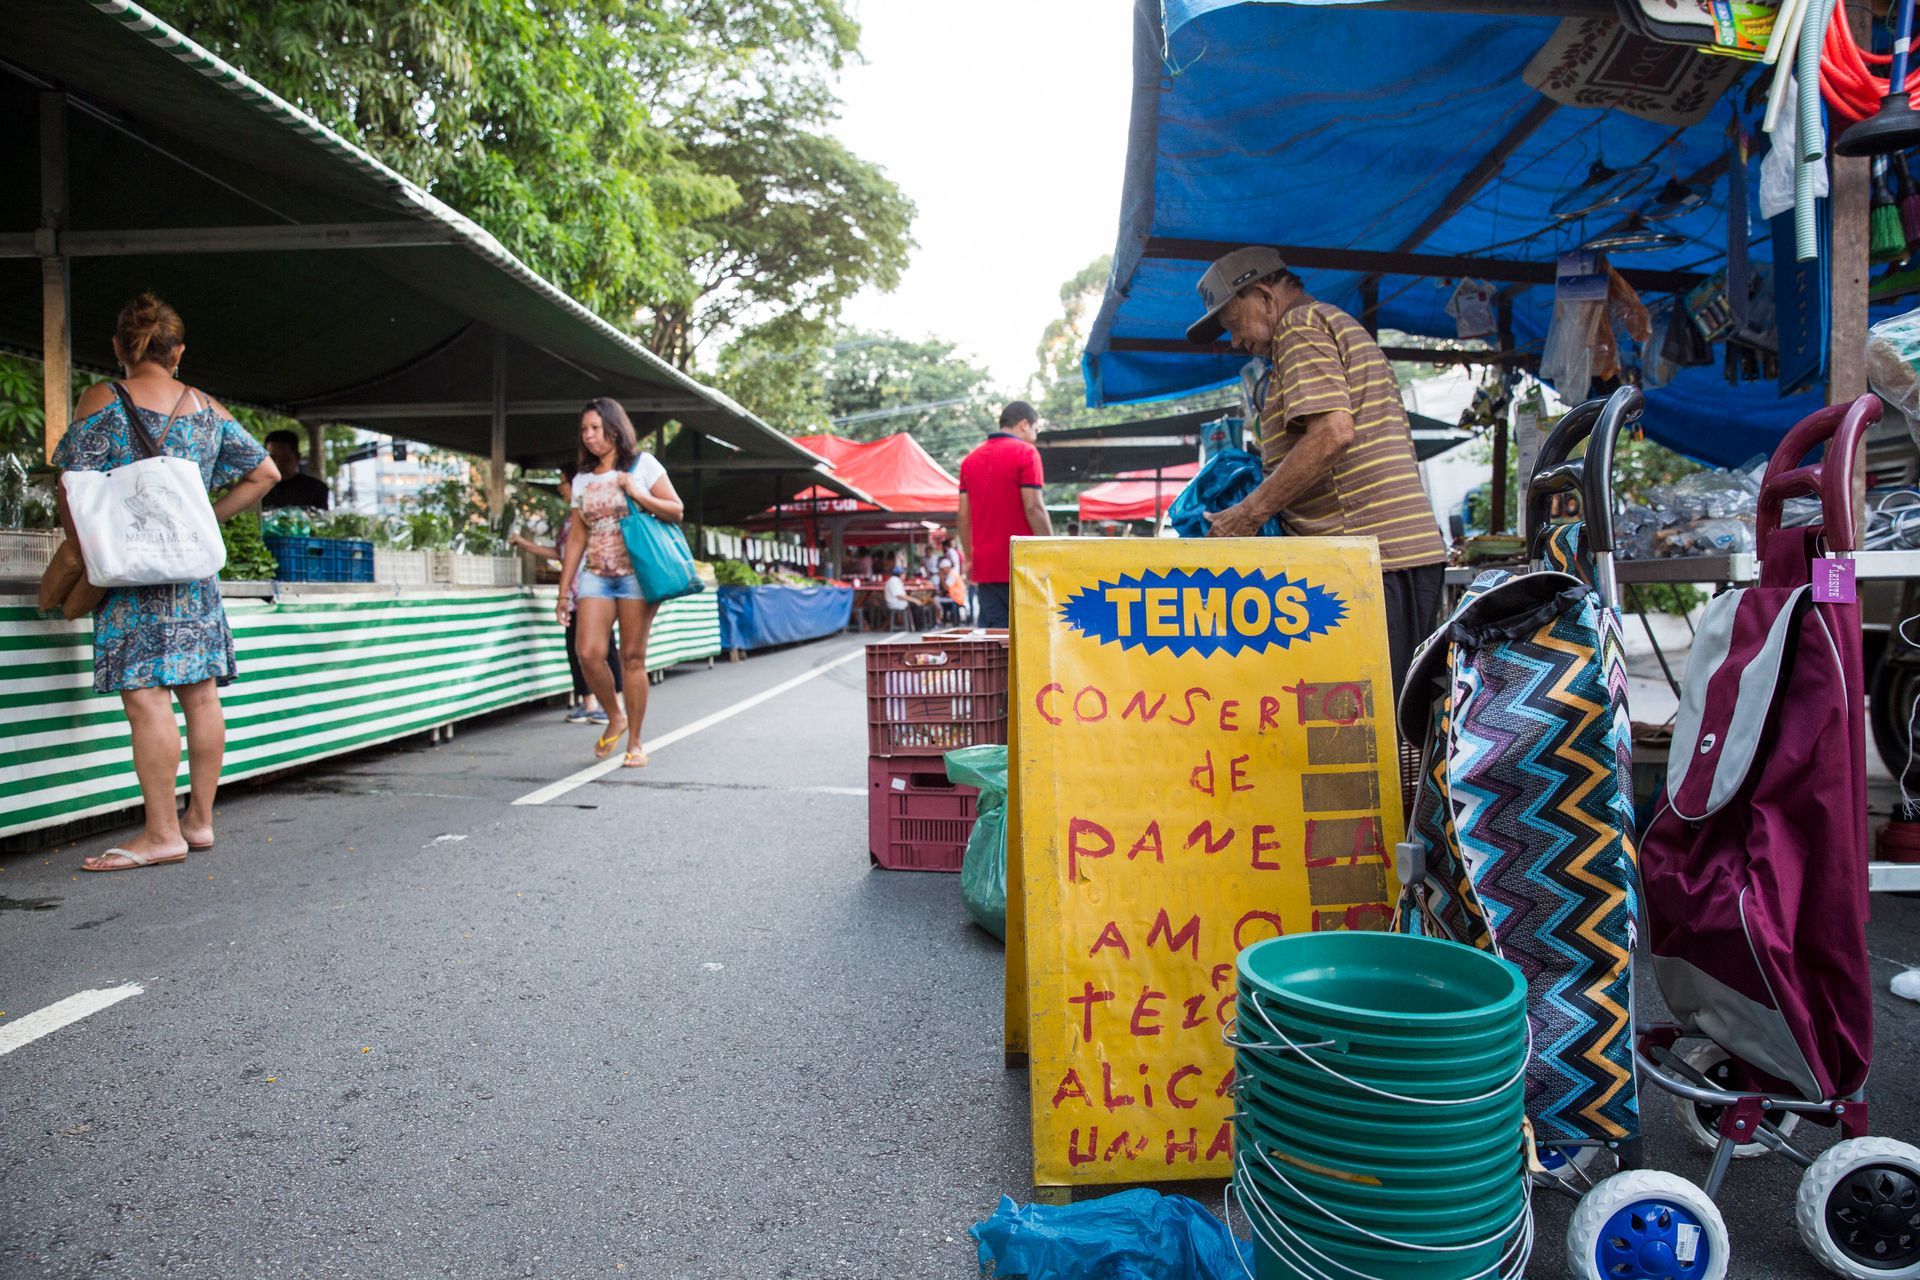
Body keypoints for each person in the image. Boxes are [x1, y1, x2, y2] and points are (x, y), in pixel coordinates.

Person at [53, 293, 281, 872]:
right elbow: (265, 473)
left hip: (131, 572)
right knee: (201, 695)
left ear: (118, 348)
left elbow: (70, 486)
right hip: (192, 576)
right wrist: (205, 518)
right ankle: (198, 822)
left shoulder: (101, 398)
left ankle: (160, 833)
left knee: (146, 697)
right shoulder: (205, 407)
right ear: (177, 351)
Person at [1187, 246, 1447, 693]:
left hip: (1373, 559)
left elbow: (1332, 433)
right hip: (1390, 554)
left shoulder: (1298, 326)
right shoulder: (1329, 323)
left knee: (1365, 718)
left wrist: (1248, 513)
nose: (1234, 342)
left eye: (1234, 324)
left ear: (1264, 294)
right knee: (1397, 715)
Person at [556, 398, 685, 768]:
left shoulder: (643, 465)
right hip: (596, 574)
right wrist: (565, 591)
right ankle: (615, 714)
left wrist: (638, 493)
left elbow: (676, 509)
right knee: (588, 653)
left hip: (636, 575)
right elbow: (577, 536)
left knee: (632, 657)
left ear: (614, 428)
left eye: (596, 428)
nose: (589, 436)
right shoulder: (583, 477)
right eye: (584, 430)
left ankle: (637, 741)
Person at [508, 471, 619, 725]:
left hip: (595, 589)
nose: (560, 489)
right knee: (578, 649)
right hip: (574, 593)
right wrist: (525, 545)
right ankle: (589, 701)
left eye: (562, 483)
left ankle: (614, 702)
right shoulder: (570, 521)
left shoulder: (594, 511)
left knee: (603, 648)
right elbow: (562, 554)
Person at [958, 401, 1051, 628]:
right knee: (1029, 638)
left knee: (995, 642)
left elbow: (962, 516)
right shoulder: (1027, 453)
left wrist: (970, 558)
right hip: (1023, 564)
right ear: (1024, 425)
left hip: (986, 567)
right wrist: (1051, 549)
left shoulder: (970, 460)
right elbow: (1034, 507)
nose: (1035, 437)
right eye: (1035, 430)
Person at [259, 430, 331, 510]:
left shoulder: (316, 489)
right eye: (272, 459)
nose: (277, 464)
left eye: (285, 460)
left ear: (297, 457)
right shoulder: (255, 489)